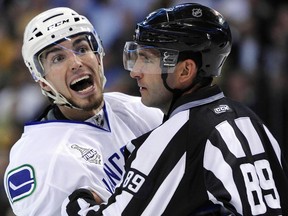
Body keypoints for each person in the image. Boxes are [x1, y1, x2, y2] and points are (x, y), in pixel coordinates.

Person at [62, 3, 288, 216]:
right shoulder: (250, 120)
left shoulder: (180, 137)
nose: (135, 72)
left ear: (185, 71)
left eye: (147, 59)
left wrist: (79, 202)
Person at [3, 7, 163, 216]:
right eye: (58, 58)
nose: (76, 63)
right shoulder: (40, 161)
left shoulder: (139, 109)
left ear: (98, 57)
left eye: (81, 48)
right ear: (44, 83)